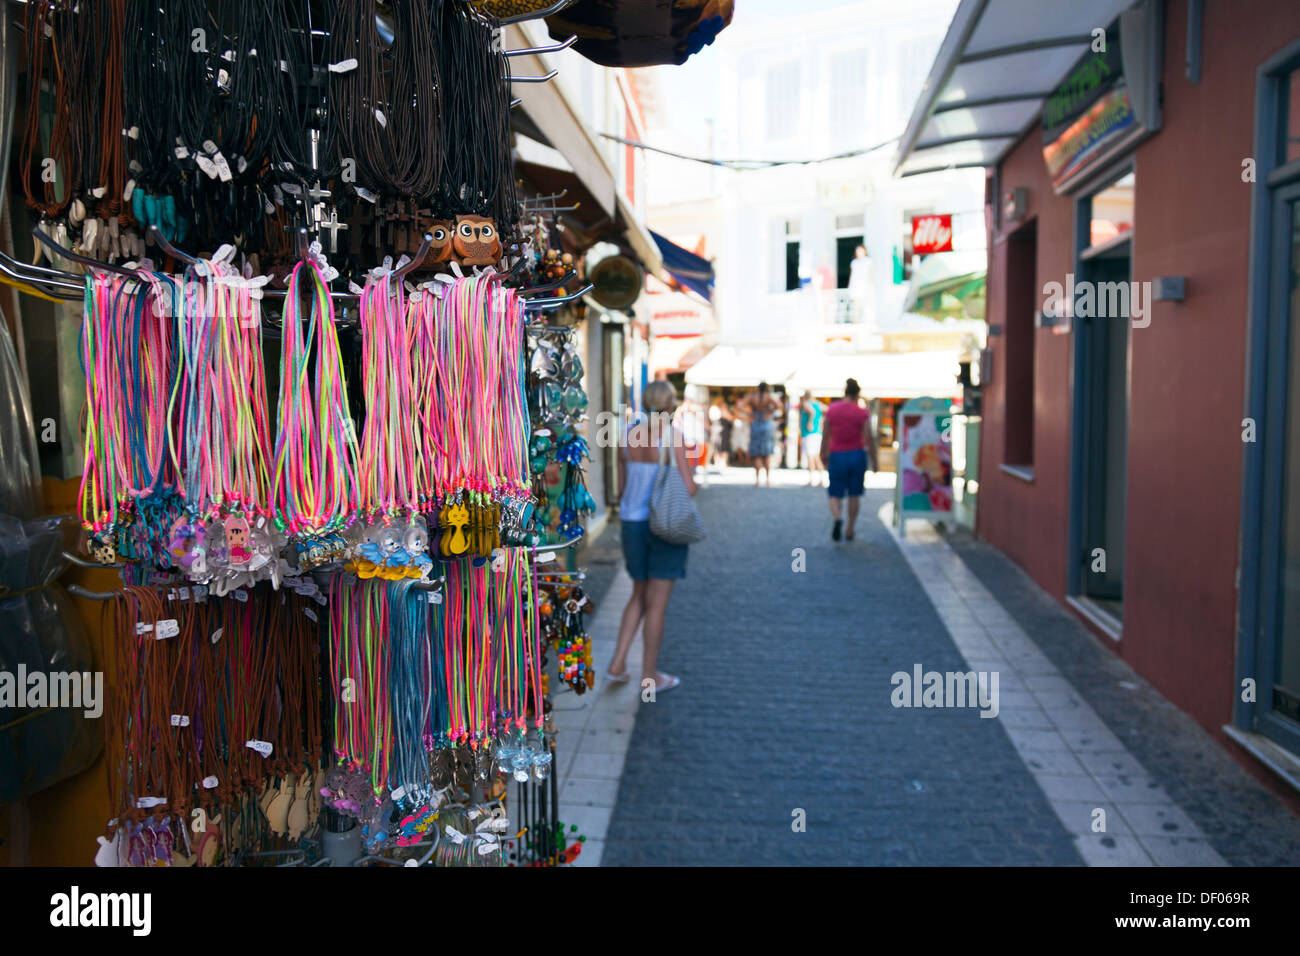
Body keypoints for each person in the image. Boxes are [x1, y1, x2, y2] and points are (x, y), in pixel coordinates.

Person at [608, 380, 698, 694]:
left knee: (638, 595)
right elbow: (688, 488)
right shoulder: (674, 437)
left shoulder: (626, 435)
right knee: (656, 605)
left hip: (632, 523)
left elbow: (621, 490)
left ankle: (617, 663)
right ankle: (649, 677)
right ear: (671, 404)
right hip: (663, 525)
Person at [820, 378, 877, 542]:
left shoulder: (832, 410)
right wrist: (875, 459)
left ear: (844, 392)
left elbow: (826, 434)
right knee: (854, 494)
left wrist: (822, 452)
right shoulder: (862, 412)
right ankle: (850, 528)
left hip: (837, 455)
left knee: (834, 493)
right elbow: (868, 437)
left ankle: (837, 517)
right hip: (857, 455)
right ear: (858, 394)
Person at [738, 381, 781, 487]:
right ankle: (767, 480)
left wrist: (749, 413)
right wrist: (770, 412)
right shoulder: (768, 396)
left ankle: (757, 480)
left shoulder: (753, 397)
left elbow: (739, 405)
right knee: (766, 453)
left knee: (756, 453)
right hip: (766, 423)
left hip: (755, 422)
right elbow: (779, 406)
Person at [799, 394, 826, 486]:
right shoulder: (818, 404)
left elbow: (812, 411)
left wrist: (810, 422)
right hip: (817, 433)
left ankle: (811, 480)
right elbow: (827, 409)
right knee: (816, 457)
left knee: (810, 456)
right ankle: (822, 479)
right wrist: (821, 421)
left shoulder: (806, 403)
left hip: (809, 433)